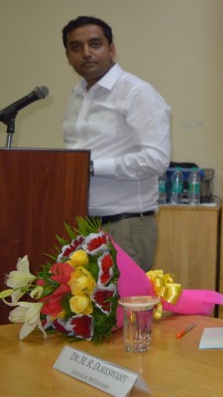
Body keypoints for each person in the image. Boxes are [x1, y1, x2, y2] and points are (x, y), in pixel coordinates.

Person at [62, 16, 171, 271]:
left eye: (95, 44)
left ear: (111, 50)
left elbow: (156, 159)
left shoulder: (136, 92)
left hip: (125, 225)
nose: (86, 53)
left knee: (125, 298)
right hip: (82, 224)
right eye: (76, 47)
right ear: (67, 56)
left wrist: (90, 167)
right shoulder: (77, 95)